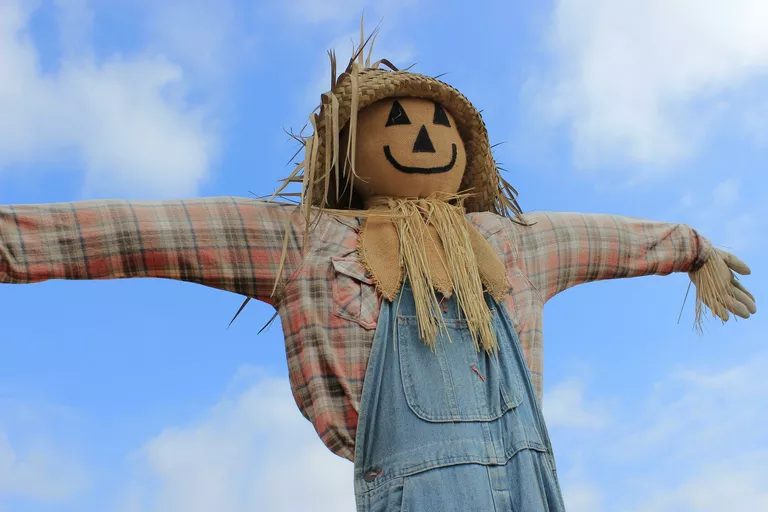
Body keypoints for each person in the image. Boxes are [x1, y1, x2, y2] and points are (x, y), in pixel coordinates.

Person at [0, 29, 756, 511]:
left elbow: (612, 239)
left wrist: (693, 248)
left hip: (532, 487)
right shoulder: (304, 242)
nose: (423, 138)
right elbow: (141, 232)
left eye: (438, 127)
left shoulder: (515, 243)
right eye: (397, 123)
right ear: (349, 156)